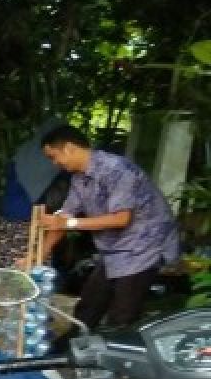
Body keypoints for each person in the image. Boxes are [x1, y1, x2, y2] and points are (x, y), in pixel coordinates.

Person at [37, 124, 181, 346]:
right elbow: (63, 219)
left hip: (144, 244)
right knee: (90, 302)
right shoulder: (79, 178)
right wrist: (36, 257)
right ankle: (73, 344)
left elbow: (121, 219)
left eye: (54, 157)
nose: (55, 164)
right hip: (114, 249)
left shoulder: (117, 170)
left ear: (69, 148)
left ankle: (117, 357)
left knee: (123, 312)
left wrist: (71, 222)